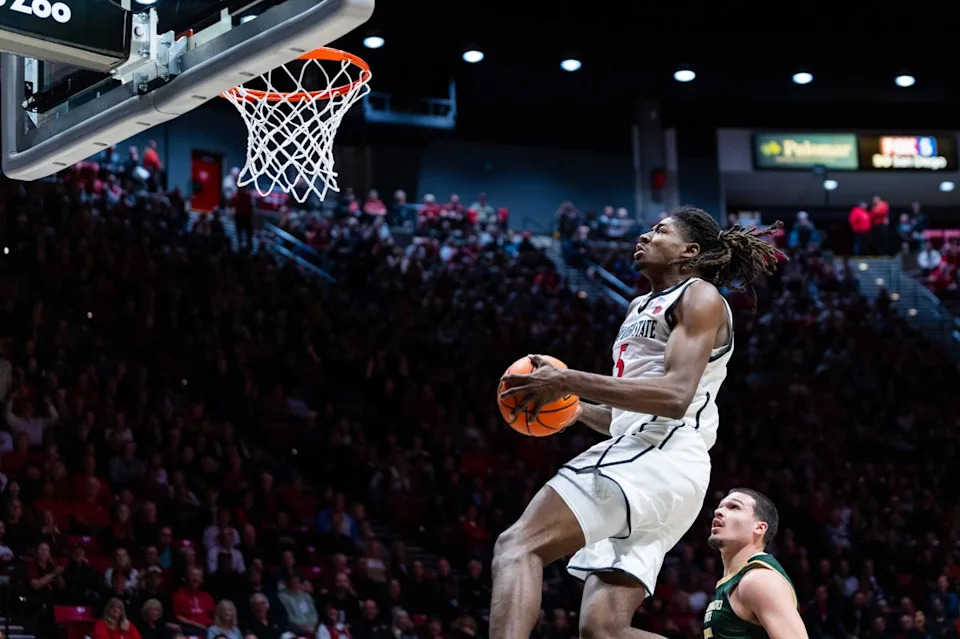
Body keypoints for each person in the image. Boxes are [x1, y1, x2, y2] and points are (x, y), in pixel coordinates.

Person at [493, 206, 784, 639]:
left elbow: (673, 396)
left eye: (659, 231)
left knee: (517, 545)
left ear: (689, 251)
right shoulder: (638, 306)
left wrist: (569, 379)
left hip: (662, 451)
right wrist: (574, 410)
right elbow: (626, 414)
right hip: (662, 469)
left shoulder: (698, 296)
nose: (645, 236)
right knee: (603, 630)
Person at [702, 488, 807, 638]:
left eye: (734, 507)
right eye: (719, 507)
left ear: (759, 528)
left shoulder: (759, 580)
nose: (718, 512)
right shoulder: (735, 580)